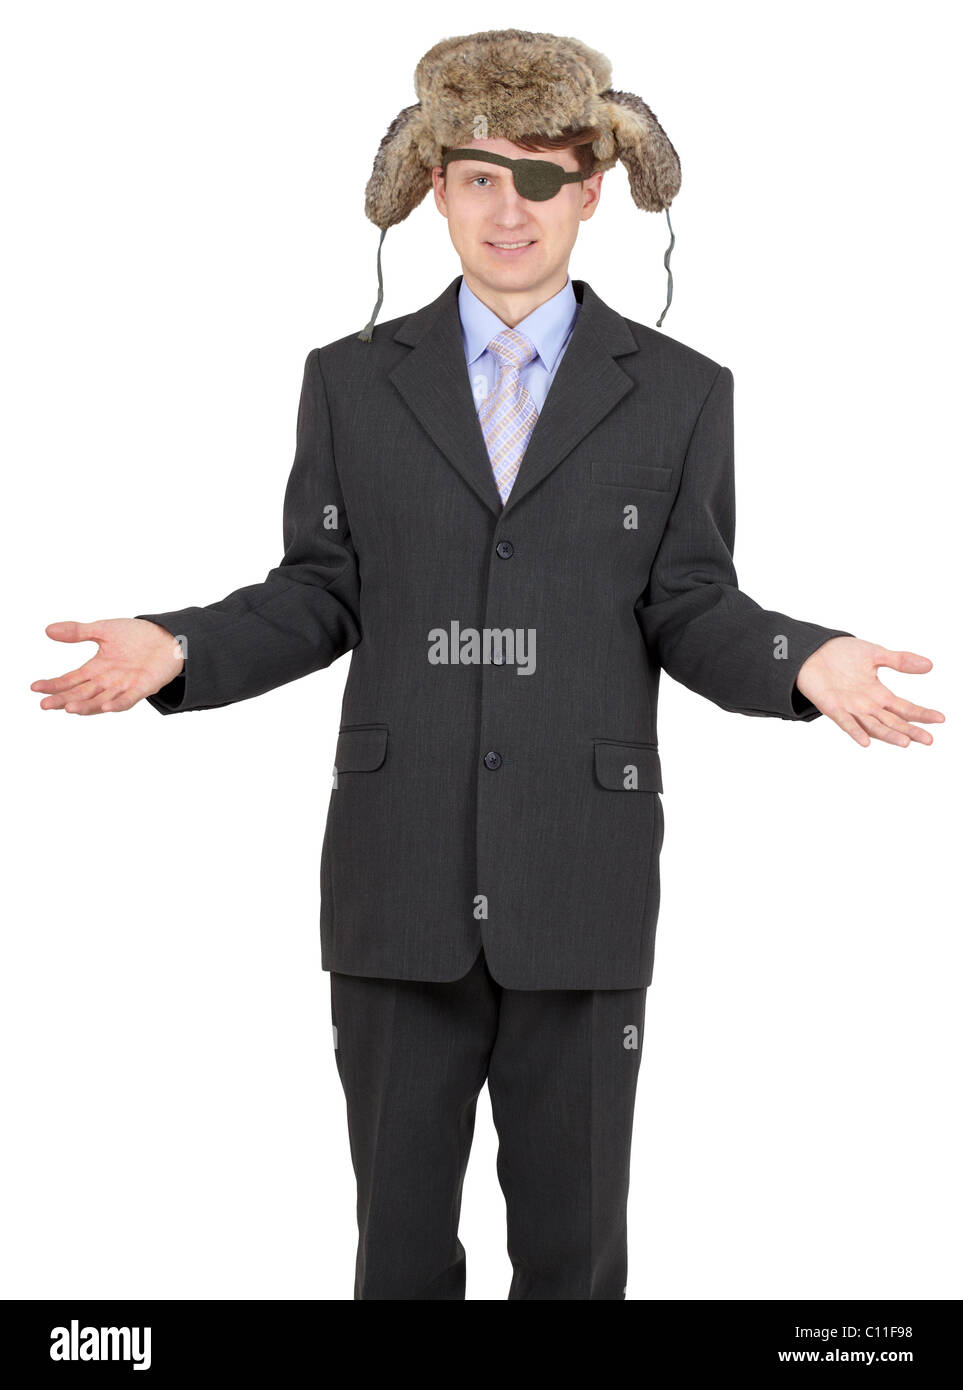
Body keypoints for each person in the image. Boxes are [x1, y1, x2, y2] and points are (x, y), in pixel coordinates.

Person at [31, 30, 944, 1300]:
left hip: (582, 874)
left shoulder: (684, 392)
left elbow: (689, 602)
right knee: (398, 1250)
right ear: (434, 188)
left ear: (594, 189)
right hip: (397, 874)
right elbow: (320, 589)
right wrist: (182, 643)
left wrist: (803, 661)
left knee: (572, 1251)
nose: (507, 210)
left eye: (540, 176)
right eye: (477, 178)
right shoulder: (350, 383)